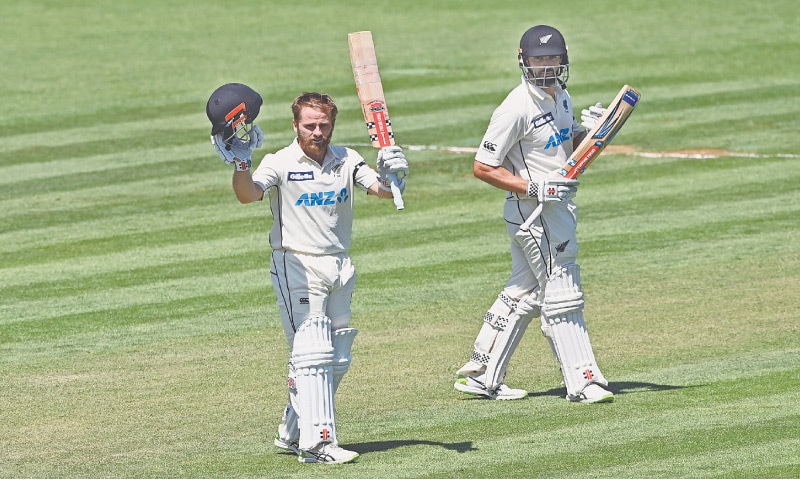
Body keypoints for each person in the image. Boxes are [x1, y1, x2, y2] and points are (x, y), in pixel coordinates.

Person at [206, 86, 409, 463]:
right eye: (310, 125)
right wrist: (241, 164)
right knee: (312, 353)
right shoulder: (279, 161)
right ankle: (318, 445)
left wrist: (395, 174)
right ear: (296, 125)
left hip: (339, 264)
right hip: (296, 263)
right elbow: (248, 195)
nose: (318, 132)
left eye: (324, 125)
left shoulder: (346, 159)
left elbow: (381, 190)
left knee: (337, 356)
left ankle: (292, 431)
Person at [453, 25, 614, 403]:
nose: (546, 66)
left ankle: (482, 373)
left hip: (556, 207)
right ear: (524, 61)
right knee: (562, 288)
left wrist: (590, 132)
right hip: (533, 211)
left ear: (563, 60)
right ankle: (583, 380)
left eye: (552, 58)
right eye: (539, 59)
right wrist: (533, 187)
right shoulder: (515, 107)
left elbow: (569, 153)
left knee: (525, 291)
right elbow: (483, 166)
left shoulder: (561, 94)